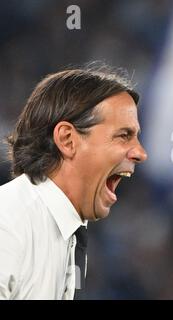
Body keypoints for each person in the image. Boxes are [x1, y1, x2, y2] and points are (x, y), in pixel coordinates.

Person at [0, 66, 148, 299]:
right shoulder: (8, 221)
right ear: (68, 140)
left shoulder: (69, 230)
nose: (140, 153)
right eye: (123, 135)